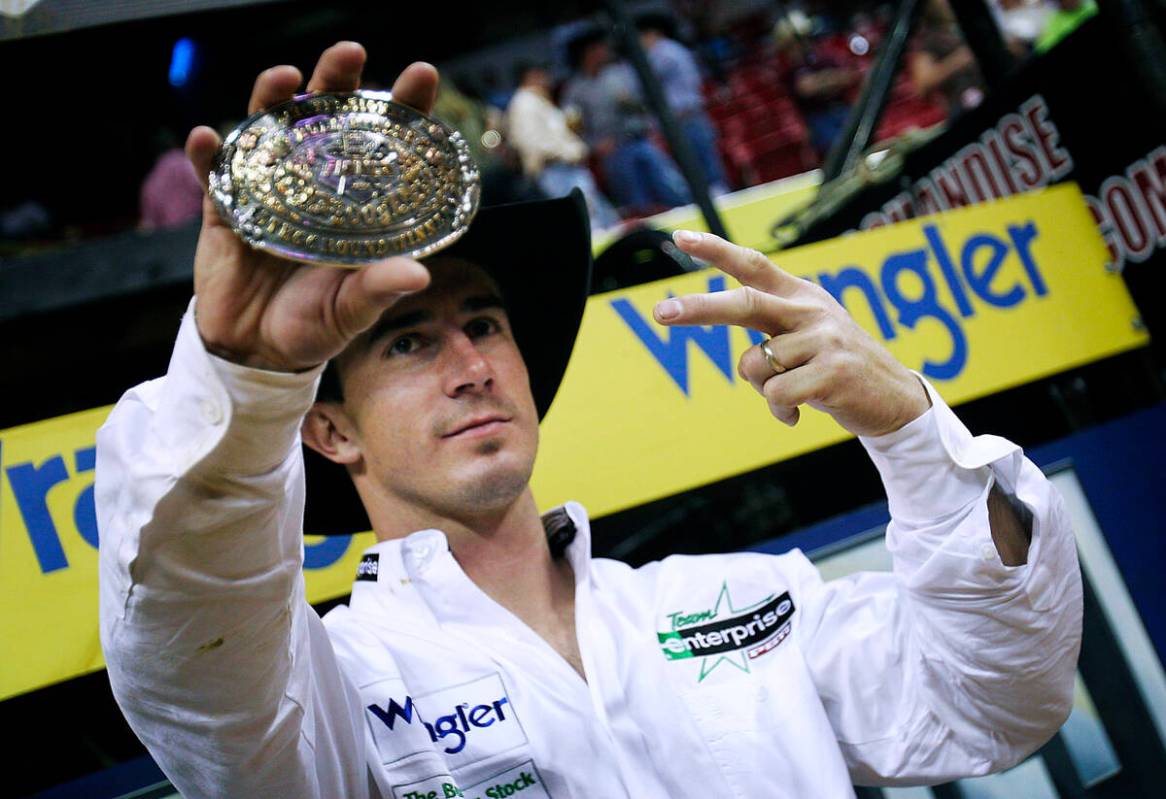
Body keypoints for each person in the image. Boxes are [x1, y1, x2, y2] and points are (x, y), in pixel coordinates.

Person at [98, 42, 1082, 798]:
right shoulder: (331, 687)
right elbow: (194, 660)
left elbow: (996, 699)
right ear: (329, 430)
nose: (472, 366)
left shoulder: (739, 599)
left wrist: (908, 428)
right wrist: (243, 384)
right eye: (407, 342)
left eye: (482, 322)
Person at [561, 29, 692, 212]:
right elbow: (573, 127)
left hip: (639, 139)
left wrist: (632, 104)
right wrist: (593, 145)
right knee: (638, 204)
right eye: (600, 47)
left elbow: (646, 104)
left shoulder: (619, 73)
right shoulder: (575, 89)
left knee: (673, 189)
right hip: (614, 151)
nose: (605, 50)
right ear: (589, 53)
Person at [506, 61, 621, 231]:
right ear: (531, 77)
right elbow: (532, 143)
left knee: (597, 217)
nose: (547, 80)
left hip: (566, 170)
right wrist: (568, 153)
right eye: (542, 75)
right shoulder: (524, 103)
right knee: (585, 221)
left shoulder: (538, 100)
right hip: (555, 171)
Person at [636, 14, 730, 196]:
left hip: (686, 118)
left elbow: (643, 84)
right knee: (705, 169)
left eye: (641, 37)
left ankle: (720, 202)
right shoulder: (674, 48)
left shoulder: (663, 52)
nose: (640, 43)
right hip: (689, 116)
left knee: (705, 170)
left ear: (651, 34)